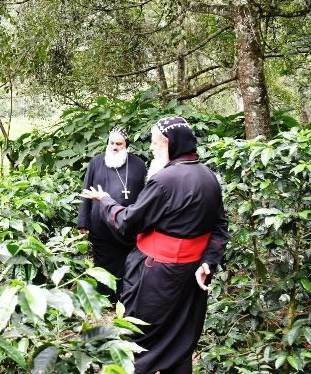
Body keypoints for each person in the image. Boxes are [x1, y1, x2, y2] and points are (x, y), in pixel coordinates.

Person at [80, 117, 230, 374]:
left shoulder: (164, 180)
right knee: (180, 338)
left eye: (155, 143)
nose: (151, 148)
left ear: (170, 144)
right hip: (193, 274)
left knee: (141, 337)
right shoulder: (208, 176)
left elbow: (127, 222)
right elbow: (220, 226)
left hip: (157, 275)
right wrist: (208, 261)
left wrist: (105, 200)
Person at [77, 126, 147, 301]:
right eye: (112, 143)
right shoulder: (96, 162)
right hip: (101, 225)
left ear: (126, 145)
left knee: (127, 263)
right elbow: (86, 191)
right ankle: (104, 299)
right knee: (103, 263)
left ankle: (124, 298)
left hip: (128, 226)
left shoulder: (138, 164)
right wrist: (83, 221)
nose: (114, 147)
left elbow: (146, 195)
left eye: (119, 144)